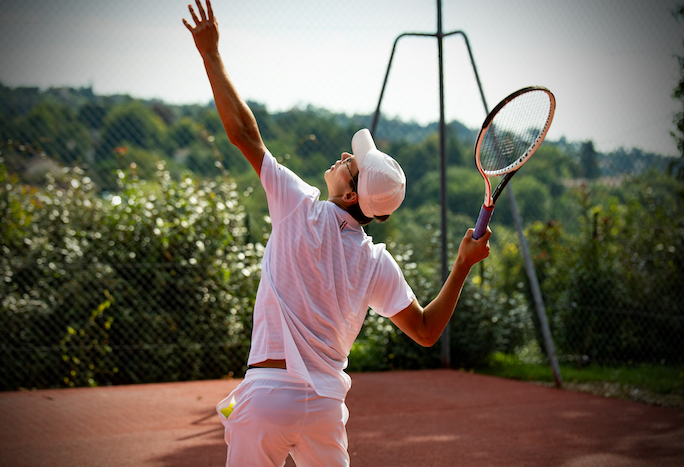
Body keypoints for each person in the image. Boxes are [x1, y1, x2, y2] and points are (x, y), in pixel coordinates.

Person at [183, 1, 491, 465]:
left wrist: (210, 54)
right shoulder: (375, 262)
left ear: (350, 196)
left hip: (267, 397)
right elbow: (427, 331)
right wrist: (463, 264)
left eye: (350, 163)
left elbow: (245, 135)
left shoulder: (298, 205)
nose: (344, 158)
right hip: (324, 409)